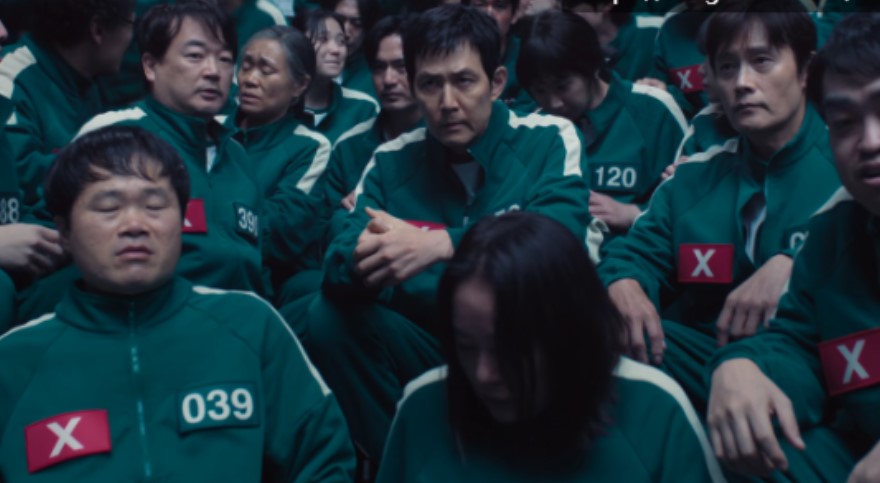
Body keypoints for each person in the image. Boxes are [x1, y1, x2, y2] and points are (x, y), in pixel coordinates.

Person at [302, 4, 599, 465]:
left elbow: (557, 233)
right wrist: (374, 258)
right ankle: (412, 461)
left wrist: (438, 244)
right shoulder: (391, 161)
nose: (446, 102)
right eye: (430, 84)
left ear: (496, 83)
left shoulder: (548, 138)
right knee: (326, 318)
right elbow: (339, 258)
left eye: (463, 81)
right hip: (434, 341)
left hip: (532, 344)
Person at [0, 125, 355, 482]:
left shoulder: (250, 326)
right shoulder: (15, 362)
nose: (135, 224)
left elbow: (324, 459)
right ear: (64, 230)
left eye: (155, 206)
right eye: (108, 208)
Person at [597, 0, 841, 412]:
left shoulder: (849, 163)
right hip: (706, 360)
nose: (742, 82)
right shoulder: (696, 175)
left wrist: (794, 262)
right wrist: (623, 282)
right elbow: (635, 253)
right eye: (727, 67)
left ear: (806, 70)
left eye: (761, 61)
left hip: (820, 369)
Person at [377, 212, 724, 482]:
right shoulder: (422, 407)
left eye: (510, 350)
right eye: (466, 346)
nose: (483, 374)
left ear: (569, 335)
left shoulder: (653, 409)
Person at [705, 13, 880, 482]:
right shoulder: (835, 234)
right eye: (844, 122)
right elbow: (799, 343)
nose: (870, 142)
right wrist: (741, 365)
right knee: (751, 445)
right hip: (854, 450)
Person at [15, 0, 266, 324]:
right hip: (135, 326)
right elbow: (48, 234)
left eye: (225, 59)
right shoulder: (113, 134)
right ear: (150, 66)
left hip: (234, 332)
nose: (213, 71)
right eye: (195, 56)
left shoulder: (238, 157)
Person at [518, 10, 687, 234]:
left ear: (593, 66)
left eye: (562, 86)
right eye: (540, 91)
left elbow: (690, 201)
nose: (554, 103)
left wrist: (635, 213)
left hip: (636, 246)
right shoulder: (533, 126)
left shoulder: (653, 110)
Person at [0, 0, 135, 216]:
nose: (132, 37)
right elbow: (17, 181)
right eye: (131, 25)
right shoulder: (9, 79)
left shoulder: (87, 80)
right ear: (98, 30)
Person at [226, 26, 331, 294]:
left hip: (268, 283)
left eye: (266, 70)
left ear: (299, 85)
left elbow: (283, 231)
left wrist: (214, 213)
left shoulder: (309, 146)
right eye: (245, 66)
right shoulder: (213, 130)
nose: (250, 79)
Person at [294, 9, 379, 144]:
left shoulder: (362, 108)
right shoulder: (277, 105)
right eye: (323, 39)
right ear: (297, 45)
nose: (336, 50)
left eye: (341, 41)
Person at [561, 0, 664, 83]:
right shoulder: (564, 45)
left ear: (606, 4)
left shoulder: (656, 30)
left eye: (572, 6)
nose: (564, 15)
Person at [463, 0, 536, 112]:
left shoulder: (528, 55)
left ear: (514, 14)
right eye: (479, 5)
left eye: (499, 6)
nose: (489, 14)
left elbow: (527, 114)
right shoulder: (450, 54)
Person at [323, 0, 381, 98]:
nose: (345, 32)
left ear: (367, 30)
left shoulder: (372, 78)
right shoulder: (310, 65)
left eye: (357, 23)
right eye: (339, 20)